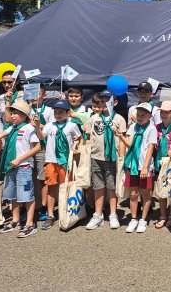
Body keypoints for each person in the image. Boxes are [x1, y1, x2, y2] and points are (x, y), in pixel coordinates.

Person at [0, 101, 40, 237]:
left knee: (27, 196)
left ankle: (30, 223)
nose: (13, 116)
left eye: (16, 113)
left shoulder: (29, 128)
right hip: (10, 166)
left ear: (25, 116)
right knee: (13, 195)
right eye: (12, 113)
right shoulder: (12, 127)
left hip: (23, 167)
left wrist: (20, 159)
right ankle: (15, 220)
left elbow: (37, 147)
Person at [83, 90, 127, 230]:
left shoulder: (119, 119)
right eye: (101, 101)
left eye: (107, 101)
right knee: (98, 186)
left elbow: (122, 139)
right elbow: (90, 137)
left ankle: (113, 214)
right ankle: (98, 214)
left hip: (112, 158)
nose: (104, 104)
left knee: (111, 187)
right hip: (96, 157)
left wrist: (122, 157)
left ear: (115, 103)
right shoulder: (94, 118)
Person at [37, 100, 81, 230]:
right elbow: (41, 136)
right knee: (51, 188)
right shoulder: (50, 125)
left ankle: (66, 211)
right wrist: (37, 126)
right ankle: (50, 215)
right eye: (56, 112)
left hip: (65, 161)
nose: (58, 114)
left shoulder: (72, 125)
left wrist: (76, 147)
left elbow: (79, 138)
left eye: (61, 112)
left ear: (68, 113)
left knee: (66, 187)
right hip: (51, 161)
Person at [117, 102, 157, 234]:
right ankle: (133, 218)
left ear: (149, 116)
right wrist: (121, 136)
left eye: (143, 115)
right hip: (132, 164)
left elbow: (150, 148)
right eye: (138, 115)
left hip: (144, 166)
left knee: (146, 193)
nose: (140, 117)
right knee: (133, 193)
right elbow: (129, 144)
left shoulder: (151, 129)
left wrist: (145, 167)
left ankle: (143, 219)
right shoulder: (133, 126)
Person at [28, 86, 54, 222]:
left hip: (42, 147)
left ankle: (43, 206)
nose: (33, 96)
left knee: (43, 178)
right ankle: (32, 206)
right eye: (31, 93)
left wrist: (38, 125)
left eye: (37, 93)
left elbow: (52, 128)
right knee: (30, 177)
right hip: (27, 148)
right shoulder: (26, 109)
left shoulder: (49, 111)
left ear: (43, 96)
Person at [154, 101, 171, 229]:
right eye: (162, 111)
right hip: (159, 163)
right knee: (161, 190)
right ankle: (163, 215)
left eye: (166, 112)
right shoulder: (156, 127)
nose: (163, 114)